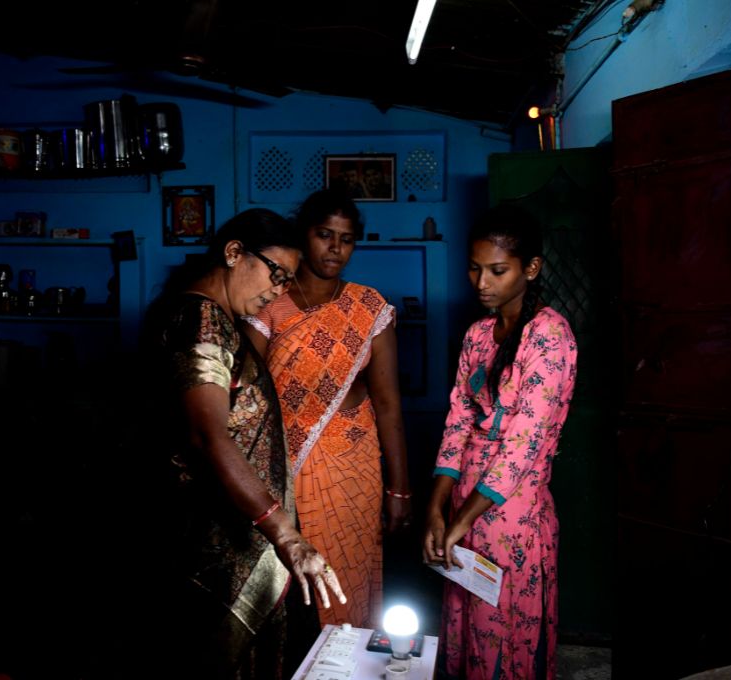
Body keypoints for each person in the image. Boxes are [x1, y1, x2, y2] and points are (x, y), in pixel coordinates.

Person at [140, 208, 345, 679]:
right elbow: (208, 434)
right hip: (221, 543)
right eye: (276, 273)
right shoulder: (203, 319)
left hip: (226, 531)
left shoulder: (202, 314)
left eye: (288, 281)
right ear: (234, 253)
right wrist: (286, 536)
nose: (279, 289)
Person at [422, 203, 577, 680]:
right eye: (474, 268)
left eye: (497, 270)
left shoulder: (550, 338)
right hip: (464, 504)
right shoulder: (477, 335)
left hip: (511, 514)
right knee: (467, 623)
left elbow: (521, 451)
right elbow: (457, 420)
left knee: (505, 638)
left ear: (530, 269)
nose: (481, 282)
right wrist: (437, 507)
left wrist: (461, 519)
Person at [246, 188, 411, 630]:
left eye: (347, 238)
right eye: (324, 234)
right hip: (285, 468)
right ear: (305, 235)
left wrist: (399, 490)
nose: (336, 247)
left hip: (352, 464)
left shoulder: (369, 306)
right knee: (290, 592)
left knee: (347, 580)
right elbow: (245, 397)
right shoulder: (270, 303)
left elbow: (390, 404)